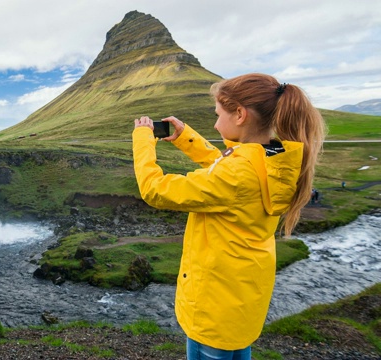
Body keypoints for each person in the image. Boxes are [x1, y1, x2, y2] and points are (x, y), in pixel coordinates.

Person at [132, 73, 326, 359]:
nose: (214, 123)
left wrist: (143, 140)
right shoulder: (272, 156)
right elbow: (225, 167)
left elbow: (155, 190)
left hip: (214, 306)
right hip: (241, 301)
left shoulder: (236, 175)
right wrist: (186, 138)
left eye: (217, 114)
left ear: (240, 114)